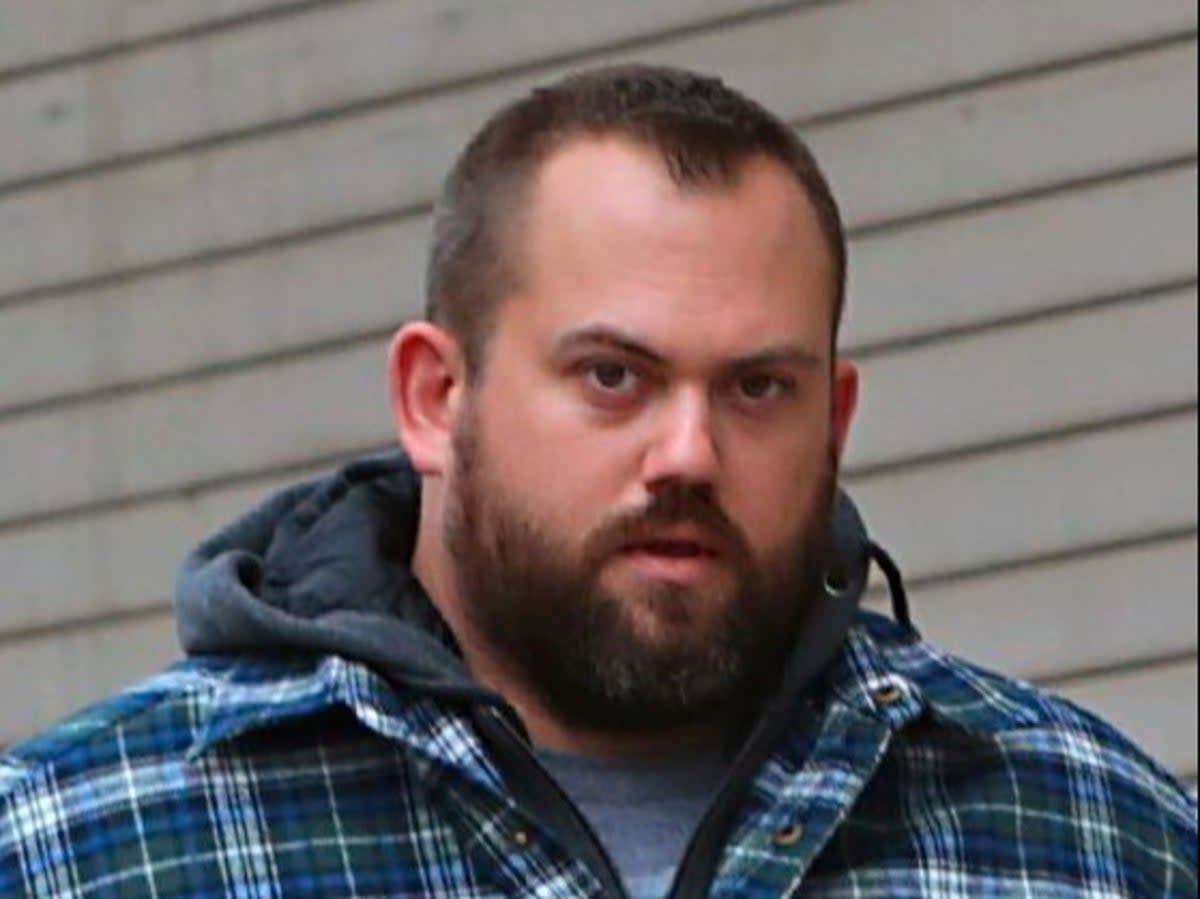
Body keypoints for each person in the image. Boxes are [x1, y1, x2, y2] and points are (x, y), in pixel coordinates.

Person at [1, 65, 1194, 899]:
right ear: (433, 397)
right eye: (614, 375)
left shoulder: (1091, 833)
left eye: (758, 388)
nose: (688, 452)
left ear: (835, 420)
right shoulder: (83, 842)